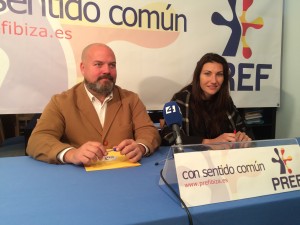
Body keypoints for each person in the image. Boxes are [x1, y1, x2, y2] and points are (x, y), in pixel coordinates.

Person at [26, 43, 161, 165]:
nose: (107, 71)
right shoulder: (61, 102)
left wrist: (141, 146)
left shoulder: (131, 99)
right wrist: (71, 154)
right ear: (83, 68)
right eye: (98, 64)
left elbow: (148, 131)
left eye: (112, 65)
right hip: (79, 180)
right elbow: (38, 139)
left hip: (124, 176)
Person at [161, 53, 253, 146]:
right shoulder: (181, 99)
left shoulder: (226, 101)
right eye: (207, 74)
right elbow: (168, 137)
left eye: (219, 74)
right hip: (191, 158)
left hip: (223, 158)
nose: (214, 80)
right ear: (198, 76)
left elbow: (245, 131)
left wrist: (243, 137)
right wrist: (209, 143)